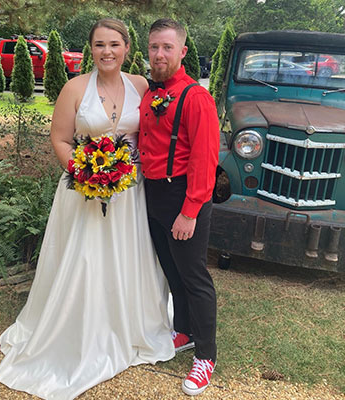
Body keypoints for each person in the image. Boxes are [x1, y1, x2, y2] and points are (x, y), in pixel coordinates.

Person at [0, 18, 174, 400]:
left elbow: (152, 134)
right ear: (90, 49)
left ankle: (127, 324)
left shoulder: (141, 86)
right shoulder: (74, 88)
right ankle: (78, 326)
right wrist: (84, 173)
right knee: (86, 258)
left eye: (114, 44)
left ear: (127, 48)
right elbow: (60, 138)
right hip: (83, 191)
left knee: (128, 257)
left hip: (130, 193)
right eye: (99, 45)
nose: (107, 51)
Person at [138, 18, 220, 396]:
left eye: (167, 47)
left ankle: (206, 355)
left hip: (185, 196)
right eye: (154, 47)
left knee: (194, 275)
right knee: (171, 269)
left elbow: (205, 160)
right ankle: (184, 331)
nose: (159, 54)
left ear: (182, 51)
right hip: (153, 194)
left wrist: (189, 211)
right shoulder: (150, 91)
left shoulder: (196, 97)